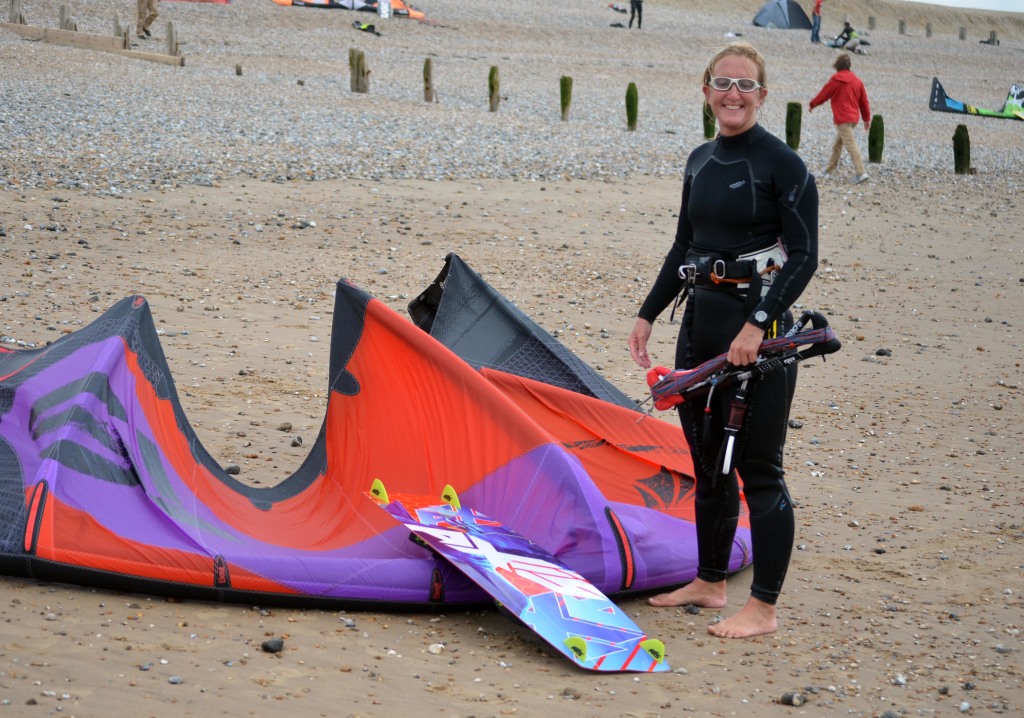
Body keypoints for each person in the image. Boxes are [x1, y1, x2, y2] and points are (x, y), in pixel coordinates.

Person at [628, 42, 818, 639]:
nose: (733, 93)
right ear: (706, 90)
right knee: (708, 465)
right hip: (701, 325)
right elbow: (683, 244)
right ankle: (710, 582)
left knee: (759, 471)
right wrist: (648, 313)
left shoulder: (783, 165)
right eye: (722, 83)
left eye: (745, 84)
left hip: (757, 337)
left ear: (763, 95)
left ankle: (763, 608)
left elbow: (804, 256)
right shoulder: (699, 161)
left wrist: (757, 323)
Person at [809, 53, 872, 183]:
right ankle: (829, 169)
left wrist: (812, 104)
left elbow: (823, 94)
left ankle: (861, 172)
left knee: (851, 145)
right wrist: (866, 119)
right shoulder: (857, 81)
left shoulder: (836, 80)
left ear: (837, 66)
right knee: (837, 144)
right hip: (853, 119)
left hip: (843, 119)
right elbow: (864, 102)